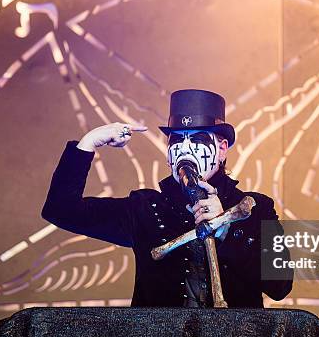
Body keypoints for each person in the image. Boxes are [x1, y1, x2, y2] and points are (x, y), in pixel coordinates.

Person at [42, 89, 292, 307]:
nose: (185, 148)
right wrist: (88, 143)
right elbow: (61, 210)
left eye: (197, 138)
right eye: (176, 139)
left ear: (222, 148)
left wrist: (226, 232)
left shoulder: (257, 209)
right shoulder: (145, 209)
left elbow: (280, 286)